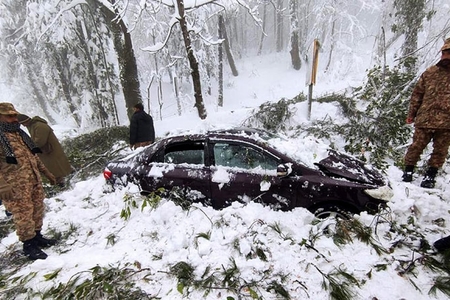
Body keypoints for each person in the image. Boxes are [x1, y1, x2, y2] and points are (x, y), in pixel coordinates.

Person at [0, 103, 57, 260]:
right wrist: (2, 185)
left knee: (37, 208)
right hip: (14, 185)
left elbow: (32, 156)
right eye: (9, 116)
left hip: (32, 180)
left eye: (14, 115)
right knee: (23, 214)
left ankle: (37, 236)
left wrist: (47, 173)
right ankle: (29, 245)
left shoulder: (18, 133)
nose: (13, 119)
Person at [402, 38, 450, 188]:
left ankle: (430, 176)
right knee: (416, 147)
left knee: (440, 152)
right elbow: (417, 95)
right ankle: (408, 172)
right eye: (445, 53)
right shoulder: (430, 73)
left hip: (447, 123)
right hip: (425, 119)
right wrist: (411, 114)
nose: (446, 56)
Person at [17, 114, 72, 187]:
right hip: (47, 151)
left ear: (26, 121)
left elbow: (40, 142)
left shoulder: (39, 126)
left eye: (23, 123)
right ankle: (63, 180)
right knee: (55, 167)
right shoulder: (32, 126)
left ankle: (66, 180)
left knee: (57, 167)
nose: (23, 125)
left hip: (51, 151)